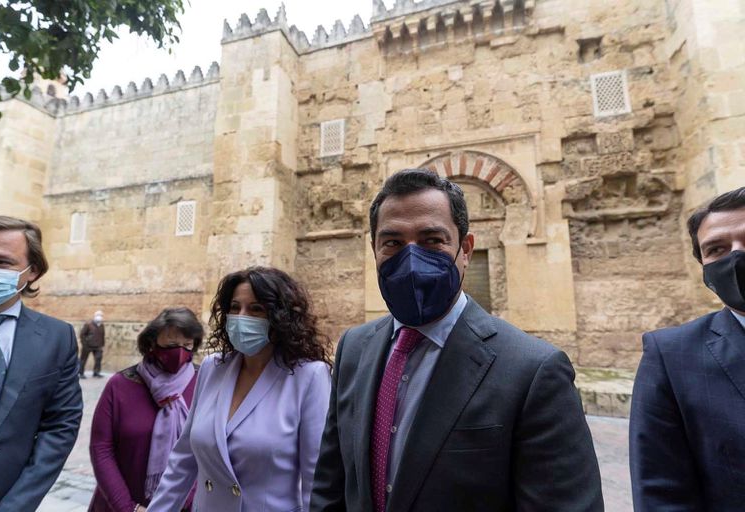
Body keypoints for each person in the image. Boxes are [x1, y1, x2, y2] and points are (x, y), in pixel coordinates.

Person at [310, 169, 604, 512]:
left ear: (465, 249)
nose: (411, 260)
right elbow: (331, 486)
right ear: (374, 249)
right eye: (393, 243)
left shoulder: (533, 372)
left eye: (432, 240)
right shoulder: (354, 349)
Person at [148, 267, 333, 511]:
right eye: (235, 308)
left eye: (256, 309)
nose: (241, 317)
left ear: (280, 317)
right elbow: (183, 460)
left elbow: (316, 479)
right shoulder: (212, 367)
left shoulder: (309, 376)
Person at [630, 186, 745, 510]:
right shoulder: (672, 355)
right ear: (704, 268)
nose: (736, 257)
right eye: (717, 249)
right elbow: (661, 495)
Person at [0, 215, 83, 511]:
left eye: (0, 262)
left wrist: (17, 505)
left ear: (32, 271)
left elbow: (60, 425)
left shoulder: (57, 336)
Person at [89, 307, 204, 512]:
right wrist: (129, 508)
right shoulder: (121, 385)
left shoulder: (203, 383)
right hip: (119, 505)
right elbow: (101, 449)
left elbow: (209, 450)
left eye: (187, 345)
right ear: (152, 343)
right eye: (171, 345)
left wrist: (179, 503)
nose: (179, 353)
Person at [80, 310, 106, 378]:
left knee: (98, 359)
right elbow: (82, 334)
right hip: (87, 346)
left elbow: (102, 335)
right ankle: (81, 373)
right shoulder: (88, 324)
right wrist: (84, 344)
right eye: (98, 315)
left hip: (98, 346)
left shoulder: (101, 325)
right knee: (83, 360)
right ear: (95, 316)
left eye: (101, 315)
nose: (99, 317)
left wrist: (102, 345)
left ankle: (96, 372)